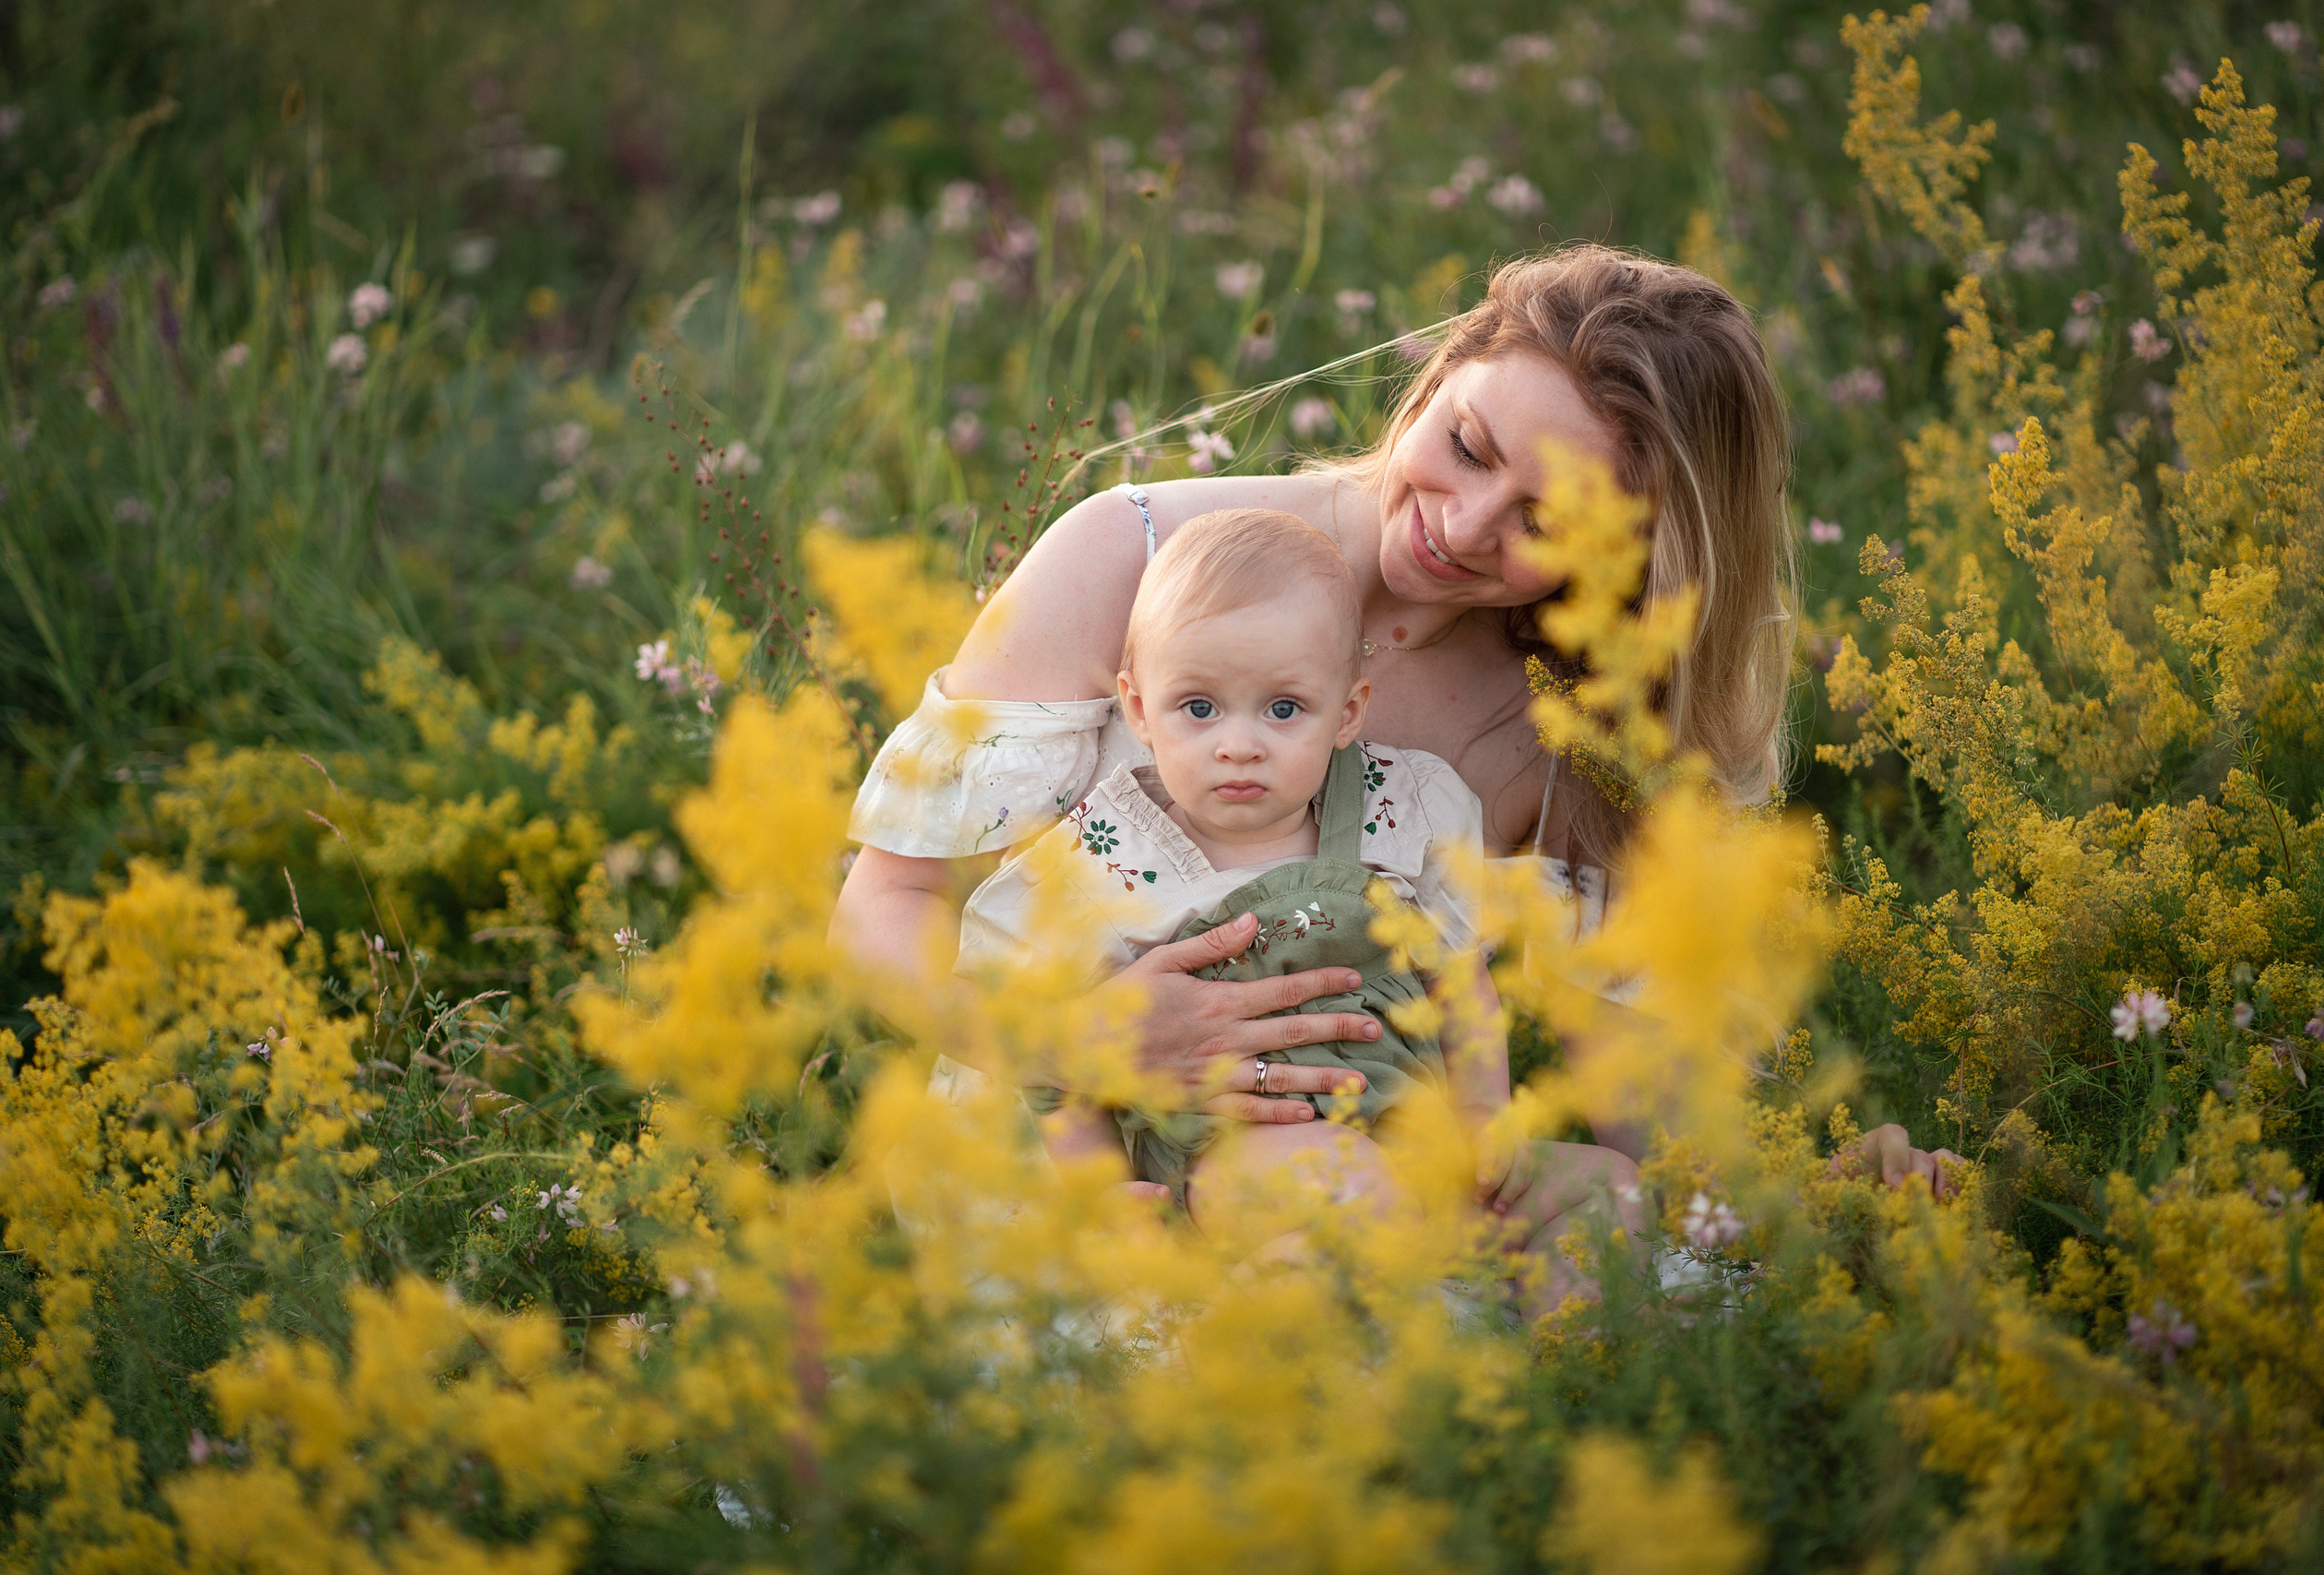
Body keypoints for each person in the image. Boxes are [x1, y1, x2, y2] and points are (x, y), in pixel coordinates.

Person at [832, 244, 1958, 1199]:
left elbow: (1635, 1095)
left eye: (1546, 522)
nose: (1463, 528)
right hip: (1073, 1162)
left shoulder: (1565, 716)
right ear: (1435, 378)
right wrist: (1070, 1041)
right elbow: (884, 908)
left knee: (1602, 1217)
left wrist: (1801, 1194)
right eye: (1468, 447)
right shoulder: (1127, 558)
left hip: (1355, 1171)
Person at [934, 507, 1639, 1302]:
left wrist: (1483, 1119)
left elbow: (1462, 985)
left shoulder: (1401, 815)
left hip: (1416, 1137)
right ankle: (1340, 1346)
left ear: (1347, 712)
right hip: (1243, 1155)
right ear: (1138, 709)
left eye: (1283, 709)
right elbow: (1061, 1076)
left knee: (1608, 1187)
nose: (1241, 743)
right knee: (1335, 1197)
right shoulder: (1100, 864)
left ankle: (1573, 1364)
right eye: (1198, 708)